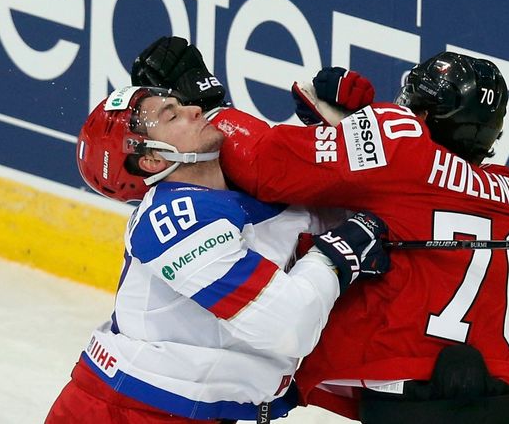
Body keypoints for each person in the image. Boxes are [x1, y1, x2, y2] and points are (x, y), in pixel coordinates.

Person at [132, 37, 509, 423]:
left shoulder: (401, 146)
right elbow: (417, 188)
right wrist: (348, 130)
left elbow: (268, 166)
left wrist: (208, 109)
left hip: (412, 395)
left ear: (422, 114)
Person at [45, 79, 391, 422]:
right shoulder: (173, 220)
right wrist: (331, 257)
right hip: (123, 412)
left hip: (191, 410)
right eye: (172, 116)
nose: (195, 108)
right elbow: (290, 327)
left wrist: (347, 128)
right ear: (151, 159)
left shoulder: (263, 195)